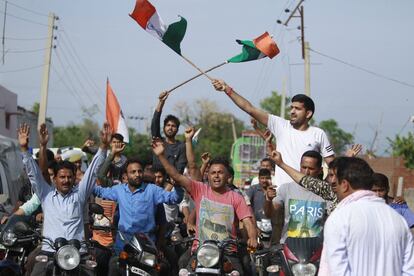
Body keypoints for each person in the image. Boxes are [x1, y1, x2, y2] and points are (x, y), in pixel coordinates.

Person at [152, 138, 257, 275]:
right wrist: (161, 155)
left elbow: (247, 221)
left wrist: (253, 237)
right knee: (183, 270)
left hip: (228, 252)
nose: (216, 176)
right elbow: (176, 176)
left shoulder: (236, 197)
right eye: (213, 173)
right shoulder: (200, 190)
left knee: (243, 271)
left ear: (227, 176)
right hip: (201, 251)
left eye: (220, 172)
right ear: (207, 176)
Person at [19, 122, 109, 276]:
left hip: (78, 254)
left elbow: (93, 171)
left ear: (75, 178)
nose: (66, 180)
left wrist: (103, 147)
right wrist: (25, 149)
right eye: (62, 177)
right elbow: (34, 174)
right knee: (35, 270)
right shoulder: (46, 195)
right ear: (55, 179)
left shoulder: (80, 194)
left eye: (69, 177)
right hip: (49, 253)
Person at [211, 79, 335, 187]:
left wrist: (324, 185)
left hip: (308, 193)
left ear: (308, 114)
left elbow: (333, 165)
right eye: (291, 107)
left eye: (297, 109)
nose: (292, 111)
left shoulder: (318, 134)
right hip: (280, 192)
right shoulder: (280, 125)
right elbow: (249, 108)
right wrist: (226, 89)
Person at [319, 157, 414, 275]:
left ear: (344, 185)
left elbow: (335, 272)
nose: (334, 188)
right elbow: (409, 271)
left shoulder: (339, 219)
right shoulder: (397, 220)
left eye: (336, 184)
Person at [92, 156, 184, 276]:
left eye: (140, 171)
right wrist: (84, 183)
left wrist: (177, 184)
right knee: (112, 266)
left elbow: (175, 198)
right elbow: (99, 191)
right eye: (133, 172)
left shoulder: (152, 190)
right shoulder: (118, 190)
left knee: (163, 268)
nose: (137, 174)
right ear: (126, 174)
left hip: (147, 248)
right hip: (123, 247)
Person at [264, 150, 327, 243]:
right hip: (288, 249)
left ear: (320, 170)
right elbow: (269, 214)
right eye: (304, 167)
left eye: (311, 168)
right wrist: (268, 200)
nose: (306, 172)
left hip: (316, 251)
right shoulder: (286, 189)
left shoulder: (326, 193)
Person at [151, 91, 187, 173]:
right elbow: (155, 122)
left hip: (173, 182)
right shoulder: (158, 142)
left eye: (173, 126)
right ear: (163, 128)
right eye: (168, 125)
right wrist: (161, 102)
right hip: (156, 182)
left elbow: (180, 169)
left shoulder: (181, 147)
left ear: (177, 129)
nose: (170, 128)